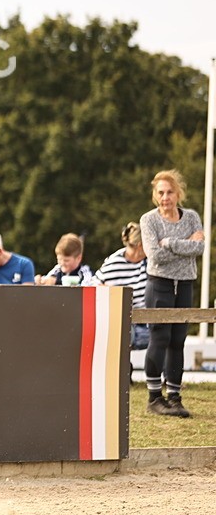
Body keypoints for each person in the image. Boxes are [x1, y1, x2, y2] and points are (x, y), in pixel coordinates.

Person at [139, 169, 203, 418]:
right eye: (161, 193)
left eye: (170, 192)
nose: (166, 197)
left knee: (178, 340)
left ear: (178, 194)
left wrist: (169, 242)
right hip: (159, 284)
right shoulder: (149, 220)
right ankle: (155, 397)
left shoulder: (191, 217)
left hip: (185, 283)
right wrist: (184, 242)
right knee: (160, 338)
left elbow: (199, 248)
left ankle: (174, 396)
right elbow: (154, 255)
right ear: (155, 195)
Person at [89, 222, 149, 350]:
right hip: (122, 322)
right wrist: (104, 290)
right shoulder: (114, 263)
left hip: (147, 320)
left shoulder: (150, 263)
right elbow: (93, 283)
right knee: (123, 334)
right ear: (140, 246)